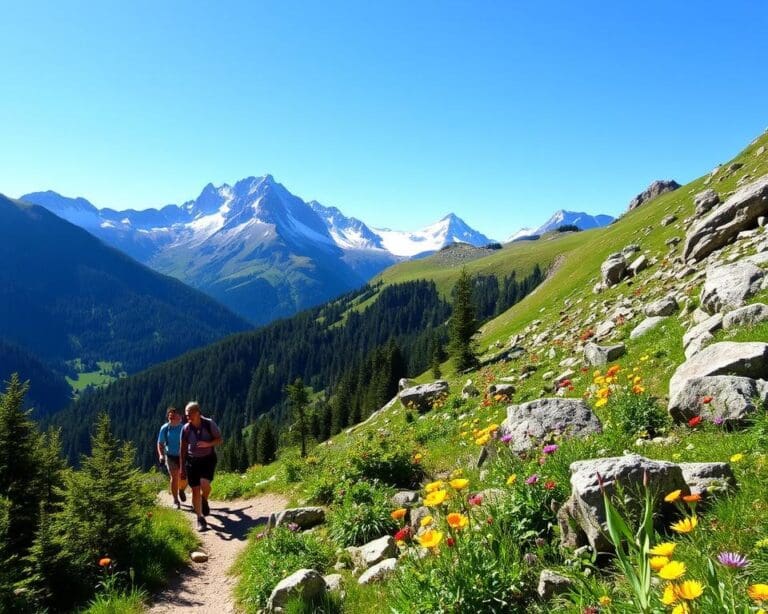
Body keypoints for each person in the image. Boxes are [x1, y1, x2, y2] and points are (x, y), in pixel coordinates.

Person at [179, 401, 223, 531]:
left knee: (205, 485)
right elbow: (182, 449)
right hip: (192, 461)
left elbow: (219, 439)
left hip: (208, 459)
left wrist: (207, 444)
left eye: (190, 414)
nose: (187, 417)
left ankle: (204, 499)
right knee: (195, 490)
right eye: (186, 415)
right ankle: (200, 518)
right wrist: (182, 467)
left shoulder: (209, 424)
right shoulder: (186, 428)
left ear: (198, 413)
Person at [156, 407, 186, 509]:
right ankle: (175, 500)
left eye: (173, 415)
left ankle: (181, 489)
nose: (171, 417)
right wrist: (161, 455)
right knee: (174, 477)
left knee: (184, 478)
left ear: (179, 417)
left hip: (183, 456)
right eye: (170, 415)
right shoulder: (165, 428)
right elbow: (160, 443)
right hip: (170, 456)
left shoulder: (184, 428)